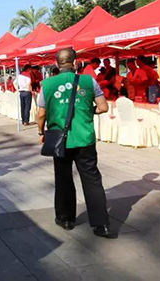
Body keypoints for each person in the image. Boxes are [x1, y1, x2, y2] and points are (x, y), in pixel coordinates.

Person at [37, 48, 115, 239]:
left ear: (56, 64)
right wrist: (89, 112)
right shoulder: (89, 81)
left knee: (63, 178)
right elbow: (103, 107)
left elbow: (41, 114)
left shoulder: (46, 84)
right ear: (76, 62)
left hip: (59, 140)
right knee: (92, 179)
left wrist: (41, 131)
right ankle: (101, 224)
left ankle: (65, 219)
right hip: (85, 138)